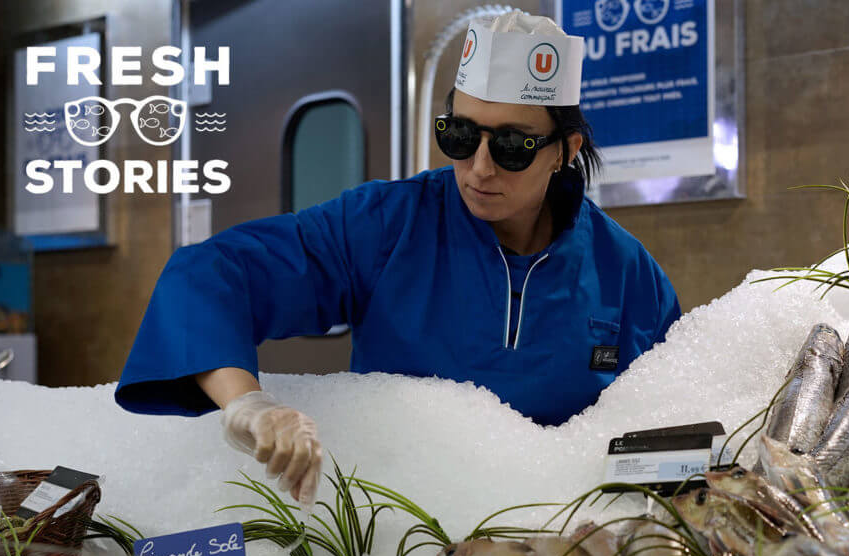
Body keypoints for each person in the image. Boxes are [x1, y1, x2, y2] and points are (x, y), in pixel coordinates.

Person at [115, 11, 681, 506]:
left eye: (511, 146)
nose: (480, 168)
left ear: (566, 150)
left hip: (551, 535)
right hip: (398, 531)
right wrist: (249, 405)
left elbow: (667, 427)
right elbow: (212, 272)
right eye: (460, 135)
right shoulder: (387, 226)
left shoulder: (626, 273)